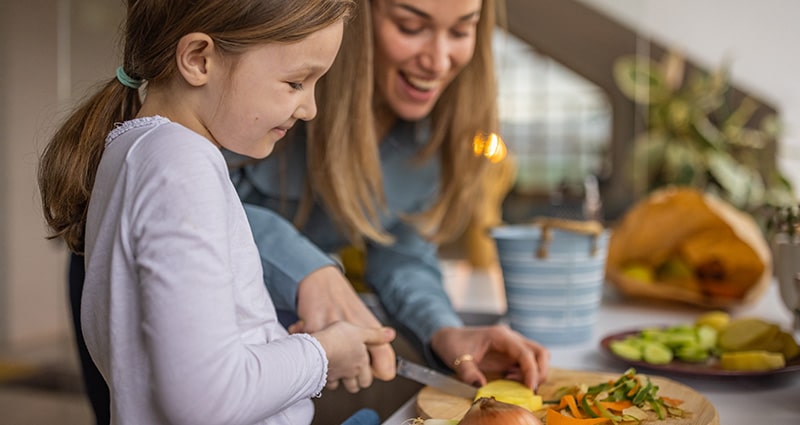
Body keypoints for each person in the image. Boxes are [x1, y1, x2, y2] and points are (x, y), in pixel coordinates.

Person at [38, 1, 396, 424]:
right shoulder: (180, 167)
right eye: (297, 81)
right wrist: (323, 356)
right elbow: (202, 399)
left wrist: (277, 344)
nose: (310, 108)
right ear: (198, 59)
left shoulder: (139, 152)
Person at [233, 0, 551, 396]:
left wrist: (445, 331)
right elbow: (183, 196)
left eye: (460, 31)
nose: (437, 62)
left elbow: (401, 250)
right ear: (353, 17)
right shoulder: (277, 91)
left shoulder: (434, 135)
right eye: (410, 26)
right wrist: (307, 270)